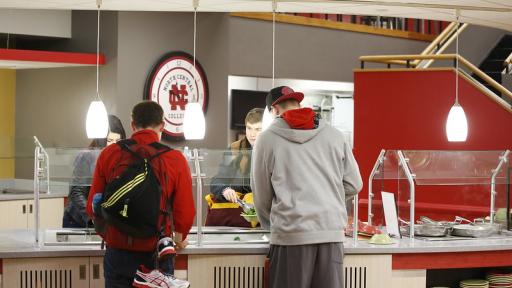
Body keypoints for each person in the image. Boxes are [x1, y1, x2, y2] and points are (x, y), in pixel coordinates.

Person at [251, 86, 363, 288]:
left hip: (290, 236)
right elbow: (355, 184)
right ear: (298, 104)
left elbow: (261, 196)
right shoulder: (335, 136)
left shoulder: (266, 140)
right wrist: (327, 196)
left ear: (273, 110)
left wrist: (273, 225)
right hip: (331, 235)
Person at [86, 101, 195, 288]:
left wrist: (112, 235)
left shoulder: (109, 154)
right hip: (156, 255)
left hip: (117, 253)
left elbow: (92, 206)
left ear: (132, 125)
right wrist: (177, 240)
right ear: (162, 125)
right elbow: (185, 214)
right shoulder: (175, 159)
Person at [63, 115, 126, 228]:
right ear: (101, 140)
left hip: (102, 219)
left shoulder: (121, 159)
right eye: (109, 140)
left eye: (118, 140)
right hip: (78, 219)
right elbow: (76, 192)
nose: (114, 145)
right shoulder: (87, 156)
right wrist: (91, 217)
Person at [205, 108, 263, 227]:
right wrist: (225, 190)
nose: (252, 134)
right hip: (240, 217)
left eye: (258, 129)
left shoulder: (274, 148)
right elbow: (217, 180)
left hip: (267, 216)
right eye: (249, 128)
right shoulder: (234, 149)